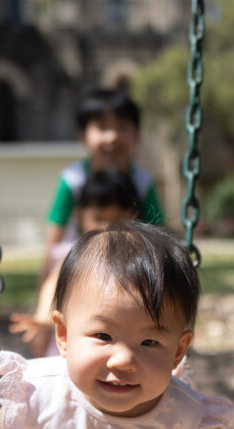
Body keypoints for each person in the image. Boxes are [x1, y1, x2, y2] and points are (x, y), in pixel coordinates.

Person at [0, 221, 234, 429]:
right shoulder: (36, 396)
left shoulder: (179, 411)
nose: (124, 359)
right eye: (103, 335)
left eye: (150, 342)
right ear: (62, 335)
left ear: (179, 350)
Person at [9, 169, 142, 357]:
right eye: (99, 218)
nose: (107, 228)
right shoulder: (76, 254)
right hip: (77, 347)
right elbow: (53, 283)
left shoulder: (139, 257)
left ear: (134, 217)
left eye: (118, 219)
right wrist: (42, 316)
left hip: (124, 344)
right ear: (79, 216)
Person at [40, 88, 165, 284]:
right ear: (83, 136)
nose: (112, 137)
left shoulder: (143, 182)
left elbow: (158, 236)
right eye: (101, 127)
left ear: (137, 136)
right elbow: (54, 237)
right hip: (78, 260)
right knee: (59, 269)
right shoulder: (73, 179)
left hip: (127, 259)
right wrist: (44, 281)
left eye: (122, 127)